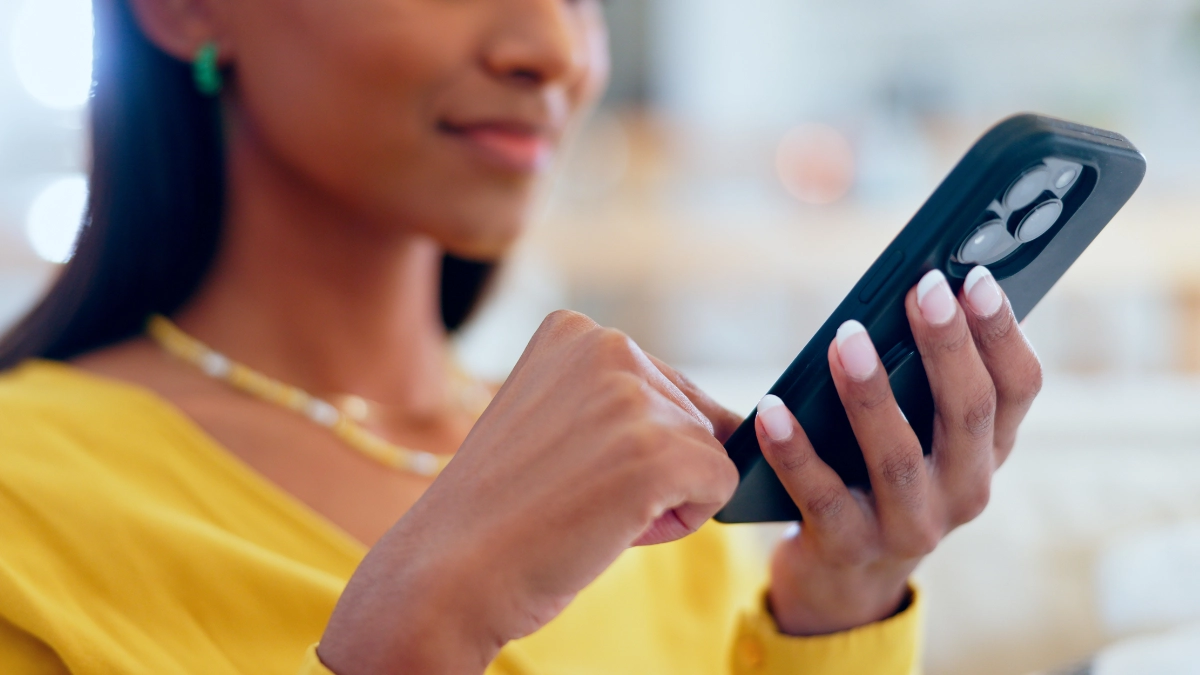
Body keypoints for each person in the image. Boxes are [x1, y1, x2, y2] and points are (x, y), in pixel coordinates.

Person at [0, 0, 1043, 673]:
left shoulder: (652, 476)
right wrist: (416, 634)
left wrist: (841, 600)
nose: (553, 49)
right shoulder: (26, 500)